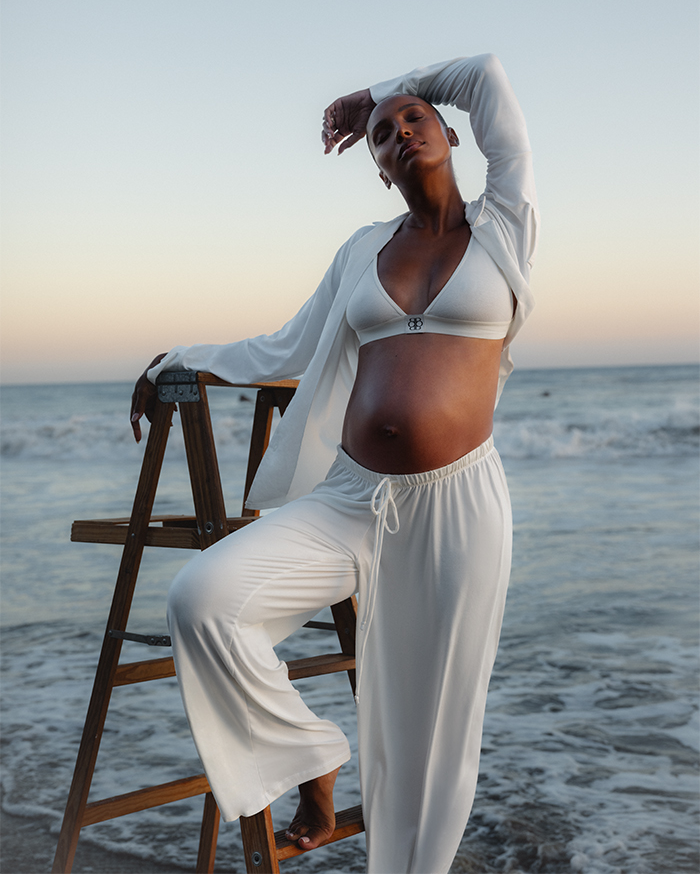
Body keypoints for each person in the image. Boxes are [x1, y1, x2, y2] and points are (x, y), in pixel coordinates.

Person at [130, 53, 537, 874]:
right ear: (378, 171)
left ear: (451, 135)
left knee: (434, 725)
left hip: (457, 506)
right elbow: (284, 345)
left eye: (415, 119)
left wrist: (376, 90)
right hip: (349, 498)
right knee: (201, 600)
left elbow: (488, 74)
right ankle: (310, 754)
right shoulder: (362, 251)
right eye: (383, 135)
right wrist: (180, 358)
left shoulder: (504, 224)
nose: (400, 133)